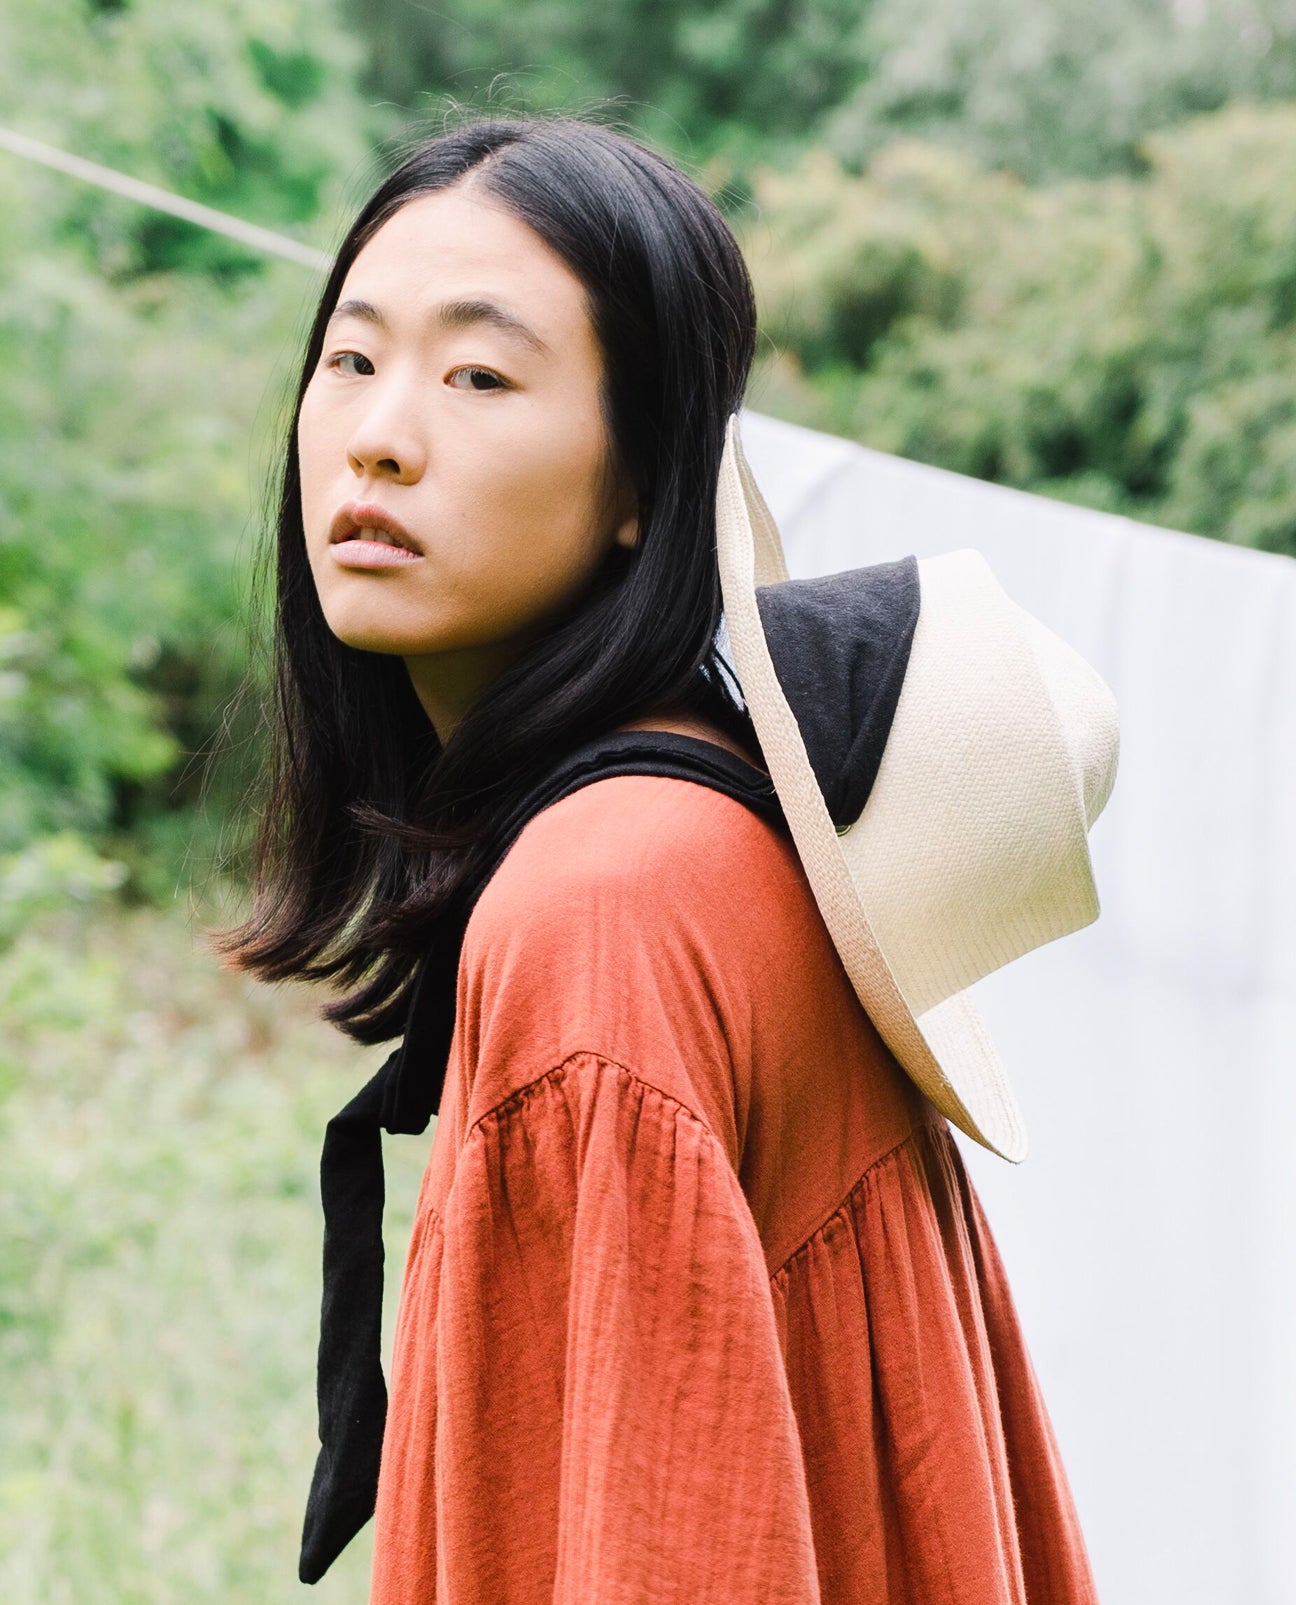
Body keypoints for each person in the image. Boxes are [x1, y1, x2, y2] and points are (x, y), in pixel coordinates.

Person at [212, 112, 1102, 1603]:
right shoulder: (689, 838)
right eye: (353, 358)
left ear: (645, 484)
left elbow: (679, 1539)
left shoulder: (610, 899)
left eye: (480, 374)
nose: (378, 430)